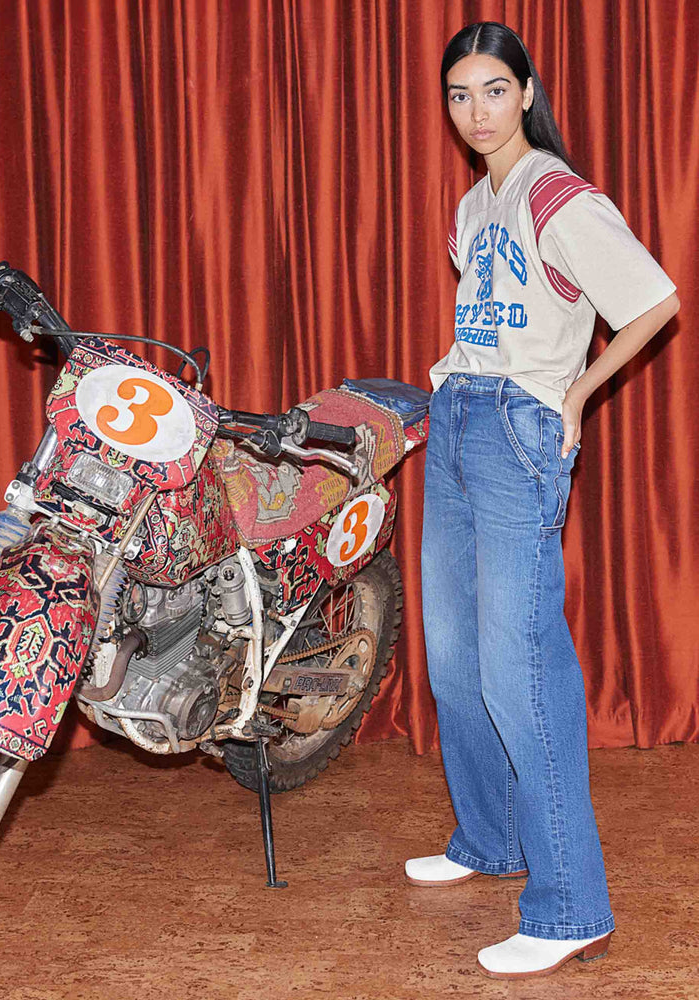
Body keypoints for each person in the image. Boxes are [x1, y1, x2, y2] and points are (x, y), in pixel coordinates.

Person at [405, 21, 680, 980]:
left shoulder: (559, 196)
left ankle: (571, 907)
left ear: (525, 92)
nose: (474, 111)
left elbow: (654, 301)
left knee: (522, 669)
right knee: (453, 657)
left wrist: (574, 393)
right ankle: (489, 838)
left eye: (491, 90)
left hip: (520, 427)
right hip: (460, 419)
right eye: (457, 95)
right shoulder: (475, 207)